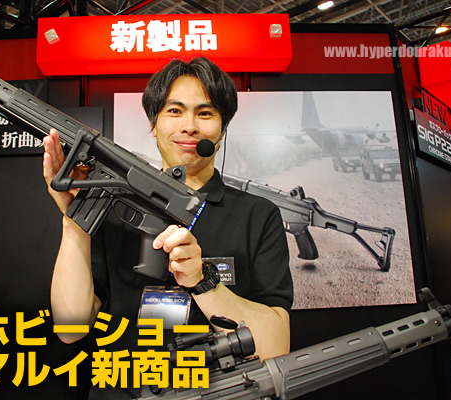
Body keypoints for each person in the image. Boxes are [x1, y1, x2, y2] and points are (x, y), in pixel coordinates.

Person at [42, 56, 293, 396]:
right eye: (174, 111)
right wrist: (73, 220)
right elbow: (71, 328)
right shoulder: (112, 204)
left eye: (205, 113)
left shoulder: (257, 215)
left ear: (222, 129)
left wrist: (203, 282)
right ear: (154, 124)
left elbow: (275, 347)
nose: (189, 126)